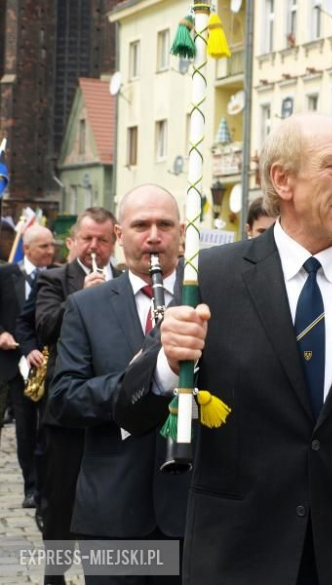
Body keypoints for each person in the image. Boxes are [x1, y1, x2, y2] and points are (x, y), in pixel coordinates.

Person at [113, 114, 332, 585]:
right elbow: (130, 411)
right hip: (239, 558)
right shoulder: (211, 277)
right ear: (282, 179)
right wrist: (166, 362)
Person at [49, 186, 190, 584]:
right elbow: (64, 399)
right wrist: (140, 380)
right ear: (118, 233)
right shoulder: (86, 306)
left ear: (180, 232)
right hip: (114, 510)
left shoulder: (208, 300)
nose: (153, 236)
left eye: (164, 225)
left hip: (193, 512)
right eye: (140, 225)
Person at [33, 207, 121, 584]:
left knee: (115, 498)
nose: (94, 248)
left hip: (116, 407)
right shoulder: (55, 279)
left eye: (102, 240)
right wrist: (82, 300)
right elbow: (43, 327)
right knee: (62, 499)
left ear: (114, 241)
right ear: (72, 242)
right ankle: (55, 575)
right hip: (67, 415)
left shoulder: (129, 279)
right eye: (87, 239)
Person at [0, 224, 54, 508]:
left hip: (50, 365)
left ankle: (48, 484)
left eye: (52, 246)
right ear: (28, 248)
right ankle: (31, 486)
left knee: (48, 428)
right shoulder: (6, 274)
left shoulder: (57, 275)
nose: (50, 251)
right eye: (44, 246)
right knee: (25, 429)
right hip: (17, 366)